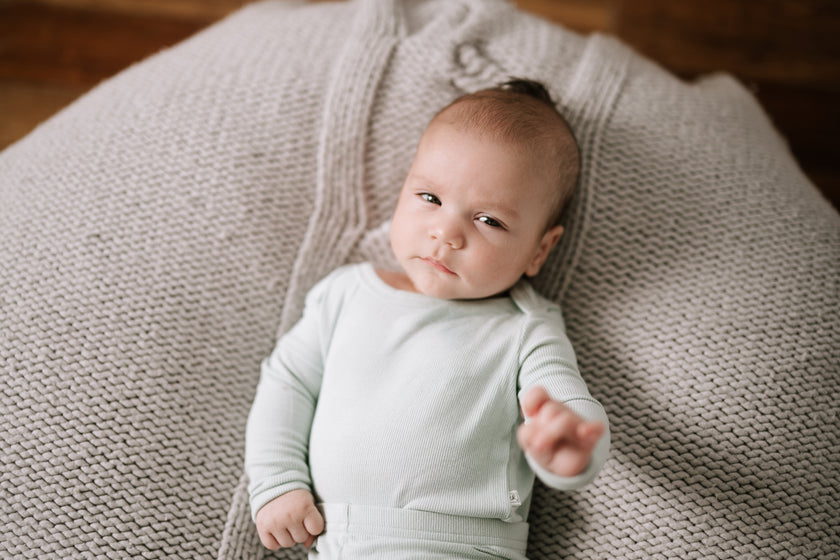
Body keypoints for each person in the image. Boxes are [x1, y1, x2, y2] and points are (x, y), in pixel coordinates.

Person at [245, 79, 610, 559]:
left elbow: (568, 403)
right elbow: (286, 384)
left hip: (466, 547)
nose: (447, 232)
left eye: (489, 221)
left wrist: (571, 449)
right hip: (339, 540)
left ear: (540, 249)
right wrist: (277, 482)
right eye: (430, 198)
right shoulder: (346, 295)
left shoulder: (525, 329)